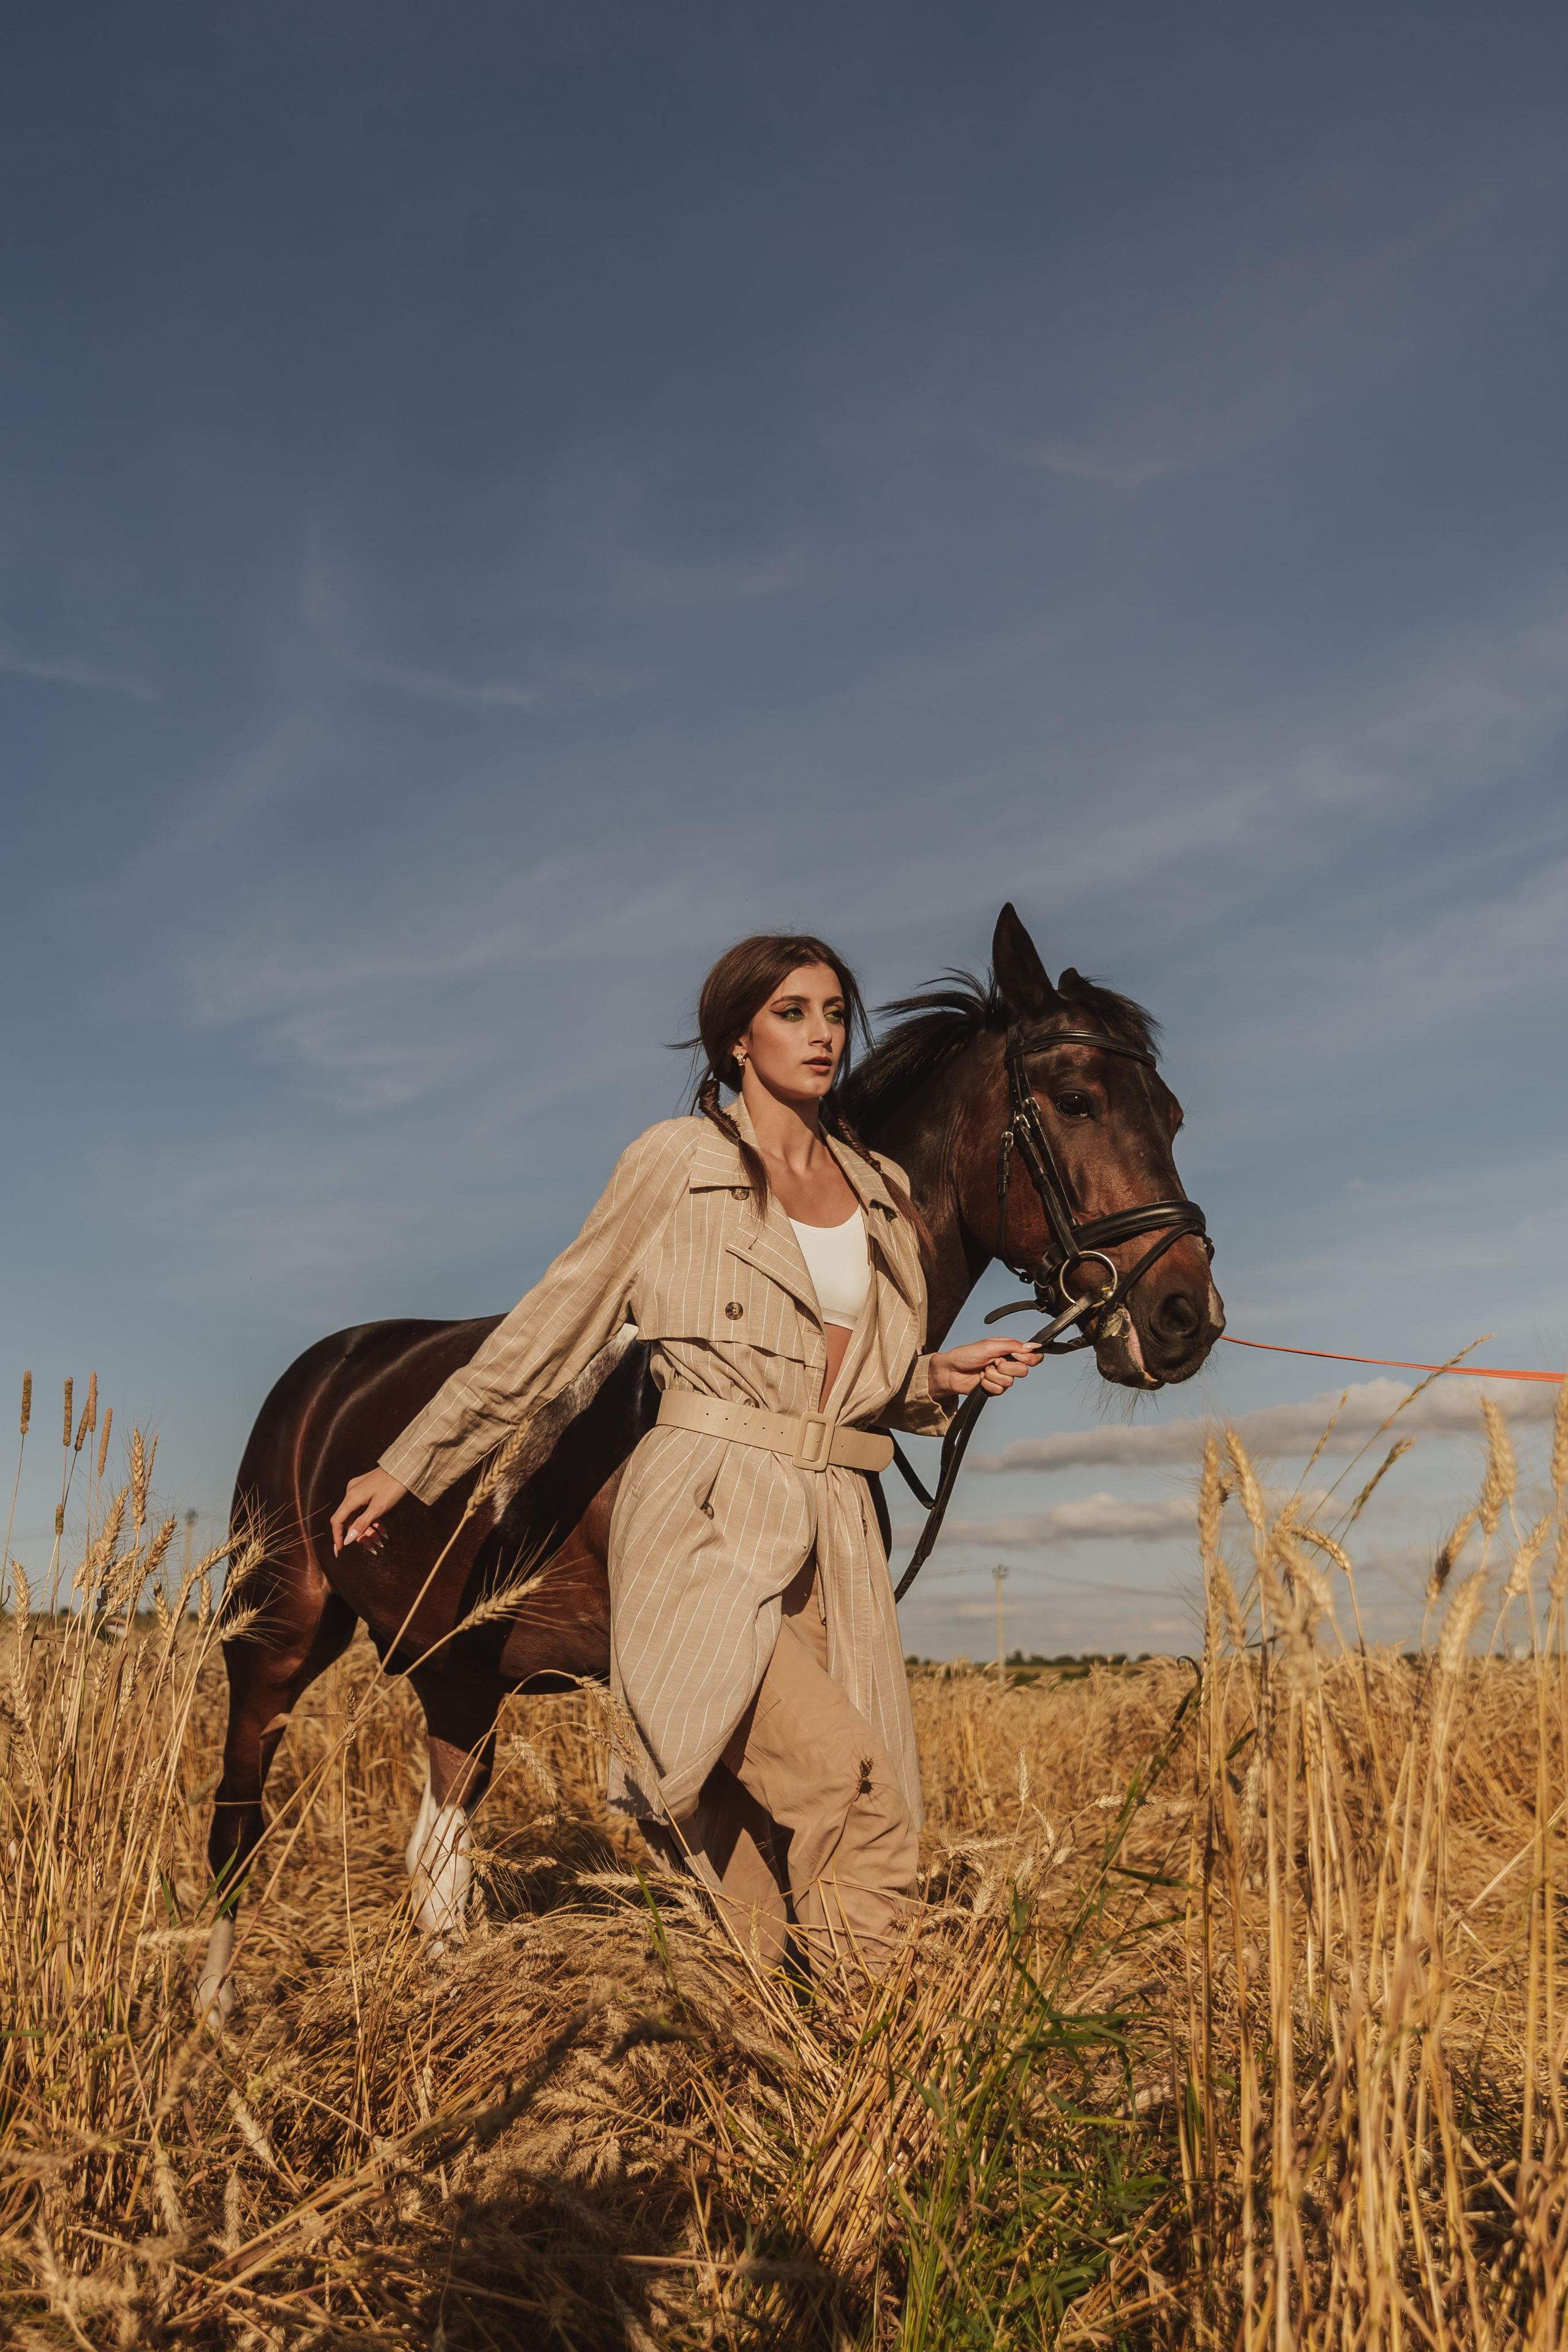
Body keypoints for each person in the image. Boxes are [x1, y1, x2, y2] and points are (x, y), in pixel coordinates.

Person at [330, 935, 1040, 1981]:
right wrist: (414, 1461)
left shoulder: (878, 1186)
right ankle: (874, 2047)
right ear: (737, 1039)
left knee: (748, 1815)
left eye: (835, 1012)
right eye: (792, 1012)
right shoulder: (677, 1161)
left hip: (835, 1520)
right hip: (707, 1505)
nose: (822, 1034)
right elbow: (554, 1324)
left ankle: (751, 2029)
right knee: (850, 1791)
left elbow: (853, 1374)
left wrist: (938, 1374)